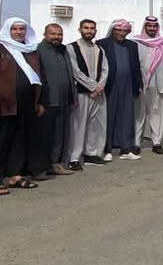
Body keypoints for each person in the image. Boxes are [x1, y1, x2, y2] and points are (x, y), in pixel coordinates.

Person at [0, 17, 47, 193]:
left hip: (26, 103)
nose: (19, 32)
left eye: (22, 29)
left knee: (19, 141)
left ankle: (15, 175)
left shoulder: (31, 50)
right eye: (14, 29)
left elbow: (40, 77)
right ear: (8, 30)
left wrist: (40, 101)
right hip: (3, 104)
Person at [34, 23, 76, 177]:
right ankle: (44, 165)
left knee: (62, 133)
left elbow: (70, 74)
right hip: (48, 101)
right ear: (45, 34)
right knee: (47, 135)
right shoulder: (38, 51)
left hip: (64, 99)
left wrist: (73, 96)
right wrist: (39, 101)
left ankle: (57, 163)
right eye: (53, 34)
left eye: (59, 34)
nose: (57, 37)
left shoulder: (63, 50)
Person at [98, 19, 143, 160]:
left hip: (128, 85)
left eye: (125, 31)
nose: (122, 33)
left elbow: (136, 67)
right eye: (119, 30)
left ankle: (126, 149)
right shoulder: (102, 44)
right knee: (108, 117)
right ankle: (107, 150)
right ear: (113, 30)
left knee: (127, 117)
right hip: (109, 85)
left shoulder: (132, 45)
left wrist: (139, 84)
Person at [66, 18, 108, 168]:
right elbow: (75, 71)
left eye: (92, 28)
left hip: (98, 94)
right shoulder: (71, 48)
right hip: (81, 93)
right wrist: (93, 86)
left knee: (95, 125)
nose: (89, 31)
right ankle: (74, 158)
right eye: (86, 28)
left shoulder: (99, 49)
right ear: (80, 30)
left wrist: (100, 86)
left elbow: (105, 69)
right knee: (78, 125)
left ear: (95, 31)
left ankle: (91, 154)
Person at [131, 15, 163, 154]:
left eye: (154, 26)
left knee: (157, 114)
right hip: (141, 83)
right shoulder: (136, 42)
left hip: (159, 83)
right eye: (149, 26)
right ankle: (136, 143)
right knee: (139, 114)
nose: (152, 28)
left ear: (157, 28)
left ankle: (156, 143)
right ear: (145, 27)